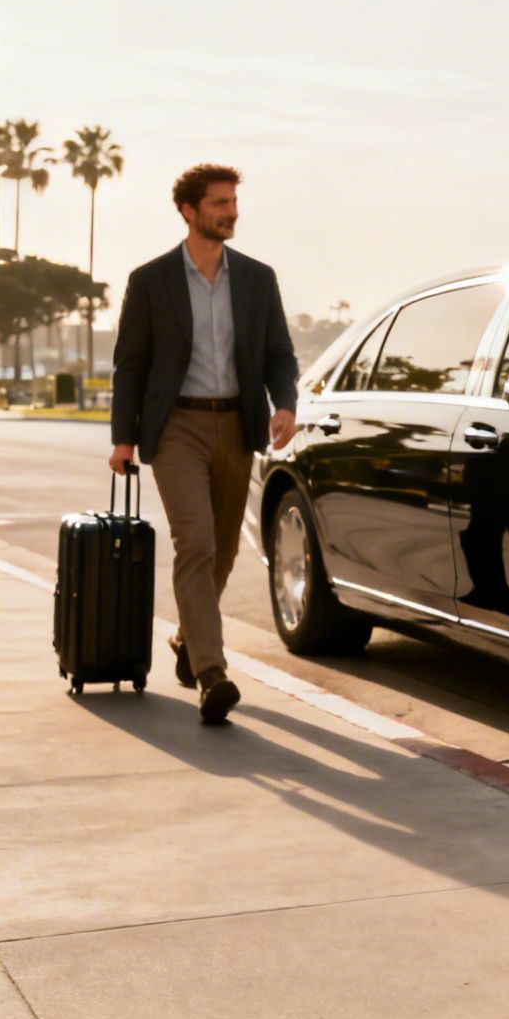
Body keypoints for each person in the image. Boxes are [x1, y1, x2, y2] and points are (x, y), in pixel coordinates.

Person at [109, 164, 299, 725]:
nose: (231, 211)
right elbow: (131, 365)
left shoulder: (258, 279)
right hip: (176, 428)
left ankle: (186, 639)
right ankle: (212, 673)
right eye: (219, 203)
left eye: (233, 202)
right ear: (189, 211)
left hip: (236, 425)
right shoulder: (151, 280)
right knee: (194, 540)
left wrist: (284, 402)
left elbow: (279, 353)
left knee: (223, 549)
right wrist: (124, 438)